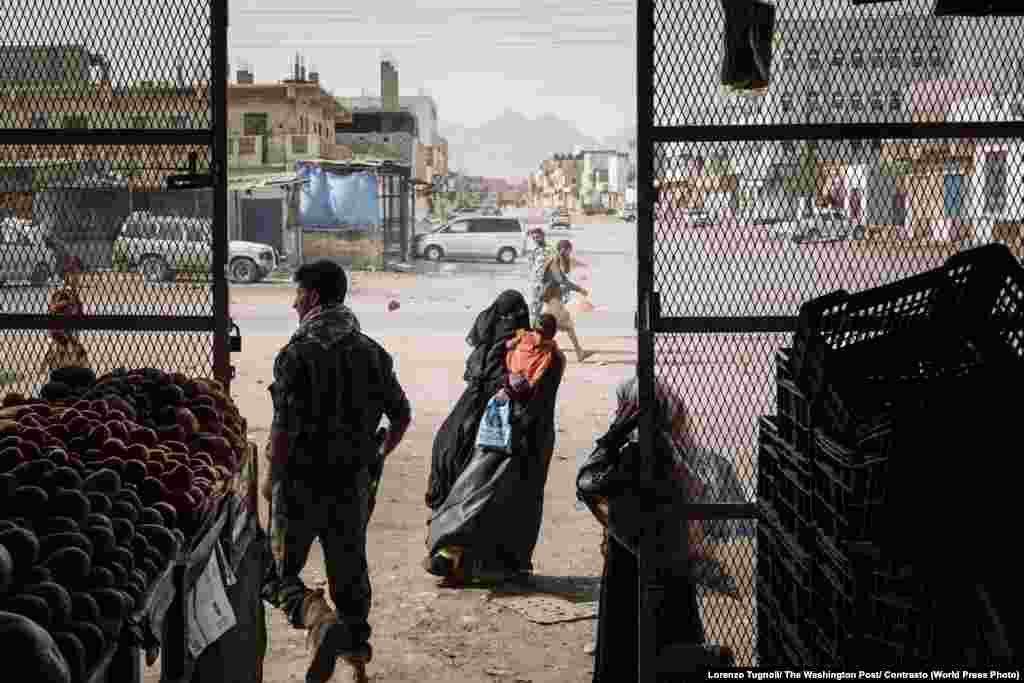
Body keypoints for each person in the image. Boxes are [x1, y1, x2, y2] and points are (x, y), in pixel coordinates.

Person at [262, 260, 412, 683]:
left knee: (274, 572)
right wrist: (376, 456)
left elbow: (284, 429)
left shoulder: (295, 355)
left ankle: (314, 616)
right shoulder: (371, 352)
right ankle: (356, 655)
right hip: (351, 485)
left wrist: (271, 480)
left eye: (296, 296)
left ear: (310, 296)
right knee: (349, 573)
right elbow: (400, 416)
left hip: (300, 485)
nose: (293, 305)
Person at [581, 376, 736, 679]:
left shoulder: (635, 452)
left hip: (634, 558)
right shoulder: (674, 449)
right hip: (672, 557)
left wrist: (610, 439)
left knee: (632, 634)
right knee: (673, 626)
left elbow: (587, 484)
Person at [424, 293, 565, 585]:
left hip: (483, 430)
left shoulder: (492, 350)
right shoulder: (542, 355)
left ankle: (459, 559)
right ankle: (477, 560)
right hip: (512, 433)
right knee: (494, 496)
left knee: (475, 490)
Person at [425, 290, 531, 512]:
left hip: (475, 391)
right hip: (494, 392)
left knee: (450, 437)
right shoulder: (513, 334)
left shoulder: (487, 323)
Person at [542, 239, 593, 363]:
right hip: (552, 299)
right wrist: (579, 289)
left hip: (553, 298)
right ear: (563, 249)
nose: (570, 254)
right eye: (569, 251)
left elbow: (561, 279)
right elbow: (561, 280)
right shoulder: (554, 261)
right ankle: (579, 353)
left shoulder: (558, 260)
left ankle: (578, 352)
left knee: (551, 326)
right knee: (565, 326)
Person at [504, 312, 559, 399]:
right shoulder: (548, 348)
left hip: (512, 375)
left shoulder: (523, 335)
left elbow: (508, 345)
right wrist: (532, 383)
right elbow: (541, 368)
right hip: (525, 382)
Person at [526, 227, 557, 326]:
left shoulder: (550, 250)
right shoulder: (535, 250)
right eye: (534, 238)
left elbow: (554, 269)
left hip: (545, 282)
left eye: (537, 237)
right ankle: (534, 327)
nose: (536, 240)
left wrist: (547, 285)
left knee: (538, 307)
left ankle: (535, 327)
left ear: (543, 236)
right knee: (533, 307)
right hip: (535, 282)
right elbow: (532, 266)